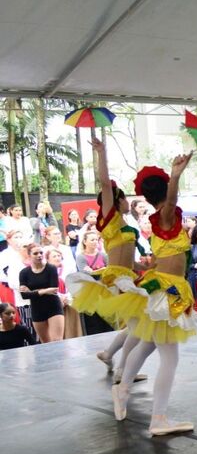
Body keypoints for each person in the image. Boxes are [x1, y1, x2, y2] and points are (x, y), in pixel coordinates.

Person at [105, 154, 197, 436]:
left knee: (146, 344)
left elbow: (163, 256)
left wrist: (152, 264)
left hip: (165, 287)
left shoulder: (162, 220)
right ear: (165, 189)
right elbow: (171, 201)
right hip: (168, 291)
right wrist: (176, 174)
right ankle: (158, 418)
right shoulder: (165, 214)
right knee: (170, 358)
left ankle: (122, 390)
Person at [67, 136, 149, 381]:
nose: (127, 201)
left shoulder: (130, 227)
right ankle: (123, 370)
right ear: (117, 200)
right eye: (123, 198)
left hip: (128, 277)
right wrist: (102, 154)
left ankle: (110, 355)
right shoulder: (110, 220)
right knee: (141, 325)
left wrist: (148, 265)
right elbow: (105, 183)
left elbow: (131, 262)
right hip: (116, 278)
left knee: (136, 325)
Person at [19, 243, 64, 343]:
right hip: (37, 308)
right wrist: (45, 290)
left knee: (57, 340)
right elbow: (24, 295)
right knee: (45, 342)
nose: (39, 255)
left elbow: (54, 289)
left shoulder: (51, 268)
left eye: (41, 252)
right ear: (29, 255)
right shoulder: (24, 273)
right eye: (35, 253)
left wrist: (33, 291)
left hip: (53, 305)